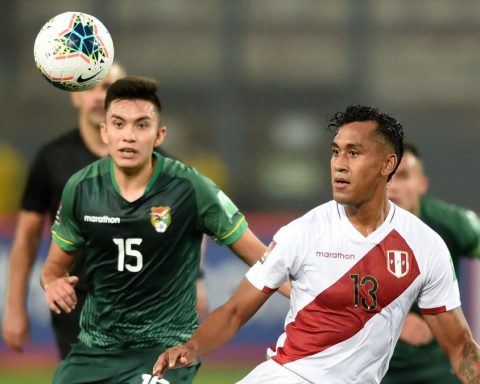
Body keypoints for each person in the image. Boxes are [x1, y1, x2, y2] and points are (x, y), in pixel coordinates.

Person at [153, 105, 480, 384]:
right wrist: (193, 347)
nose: (339, 163)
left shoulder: (424, 246)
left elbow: (459, 347)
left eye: (354, 153)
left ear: (387, 165)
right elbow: (236, 310)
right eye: (336, 152)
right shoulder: (303, 232)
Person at [40, 76, 269, 384]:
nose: (129, 136)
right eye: (119, 124)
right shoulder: (81, 188)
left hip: (165, 352)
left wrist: (312, 295)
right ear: (105, 132)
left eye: (141, 125)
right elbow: (52, 270)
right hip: (94, 352)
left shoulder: (189, 188)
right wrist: (53, 284)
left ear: (159, 135)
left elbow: (266, 260)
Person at [2, 62, 128, 359]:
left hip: (138, 304)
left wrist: (197, 281)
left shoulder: (153, 160)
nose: (100, 96)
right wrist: (14, 306)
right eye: (92, 86)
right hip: (75, 304)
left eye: (109, 87)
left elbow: (188, 220)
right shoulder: (52, 160)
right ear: (75, 96)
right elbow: (27, 237)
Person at [383, 142, 480, 384]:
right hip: (370, 367)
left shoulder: (450, 224)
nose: (393, 186)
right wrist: (394, 319)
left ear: (421, 184)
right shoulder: (349, 229)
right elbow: (306, 282)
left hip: (440, 367)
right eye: (386, 177)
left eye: (403, 176)